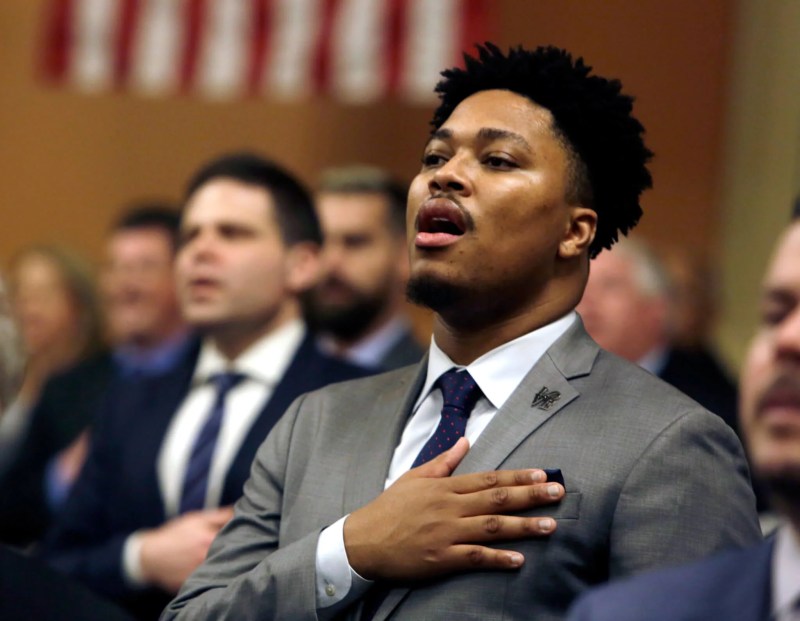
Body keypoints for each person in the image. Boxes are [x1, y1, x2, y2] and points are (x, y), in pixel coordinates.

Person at [163, 44, 761, 621]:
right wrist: (351, 550)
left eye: (497, 160)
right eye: (433, 157)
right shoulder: (313, 424)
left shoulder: (669, 444)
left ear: (575, 232)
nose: (445, 177)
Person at [41, 153, 369, 620]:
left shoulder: (356, 400)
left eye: (232, 233)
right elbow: (56, 562)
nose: (200, 251)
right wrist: (141, 557)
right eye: (191, 235)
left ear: (302, 265)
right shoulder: (130, 399)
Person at [566, 213, 800, 621]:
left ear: (658, 310)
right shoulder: (628, 612)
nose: (787, 340)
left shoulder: (700, 417)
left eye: (610, 287)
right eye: (775, 314)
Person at [0, 205, 191, 546]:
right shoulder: (66, 386)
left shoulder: (216, 380)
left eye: (145, 268)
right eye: (115, 268)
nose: (125, 285)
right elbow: (11, 508)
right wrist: (59, 477)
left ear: (184, 275)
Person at [577, 237, 739, 435]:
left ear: (657, 308)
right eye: (582, 286)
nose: (587, 301)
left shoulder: (706, 404)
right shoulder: (553, 377)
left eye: (609, 286)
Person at [0, 245, 105, 479]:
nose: (28, 306)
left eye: (43, 293)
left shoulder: (107, 385)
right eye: (19, 293)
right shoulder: (6, 381)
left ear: (80, 307)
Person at [304, 165, 424, 370]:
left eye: (355, 242)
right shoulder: (279, 368)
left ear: (406, 255)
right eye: (320, 241)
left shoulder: (426, 384)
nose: (331, 260)